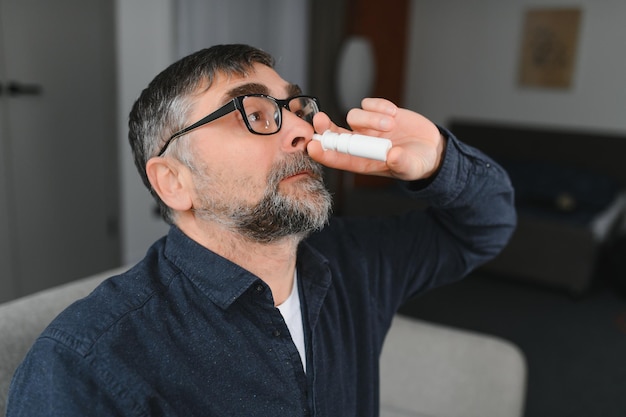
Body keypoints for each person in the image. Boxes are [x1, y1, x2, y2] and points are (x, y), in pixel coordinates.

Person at [7, 44, 516, 416]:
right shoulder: (84, 365)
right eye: (253, 113)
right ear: (174, 181)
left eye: (297, 109)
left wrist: (438, 164)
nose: (301, 129)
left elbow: (484, 229)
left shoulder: (354, 263)